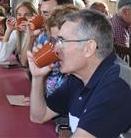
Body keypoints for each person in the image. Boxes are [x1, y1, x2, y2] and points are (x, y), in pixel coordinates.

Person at [27, 9, 131, 137]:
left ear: (88, 48)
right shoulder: (79, 77)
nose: (55, 49)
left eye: (61, 41)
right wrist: (38, 77)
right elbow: (39, 116)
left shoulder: (117, 85)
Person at [0, 0, 37, 66]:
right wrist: (8, 31)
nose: (22, 18)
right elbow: (0, 58)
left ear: (34, 16)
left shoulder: (39, 33)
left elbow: (25, 63)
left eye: (27, 15)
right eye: (19, 15)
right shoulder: (16, 33)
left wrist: (29, 34)